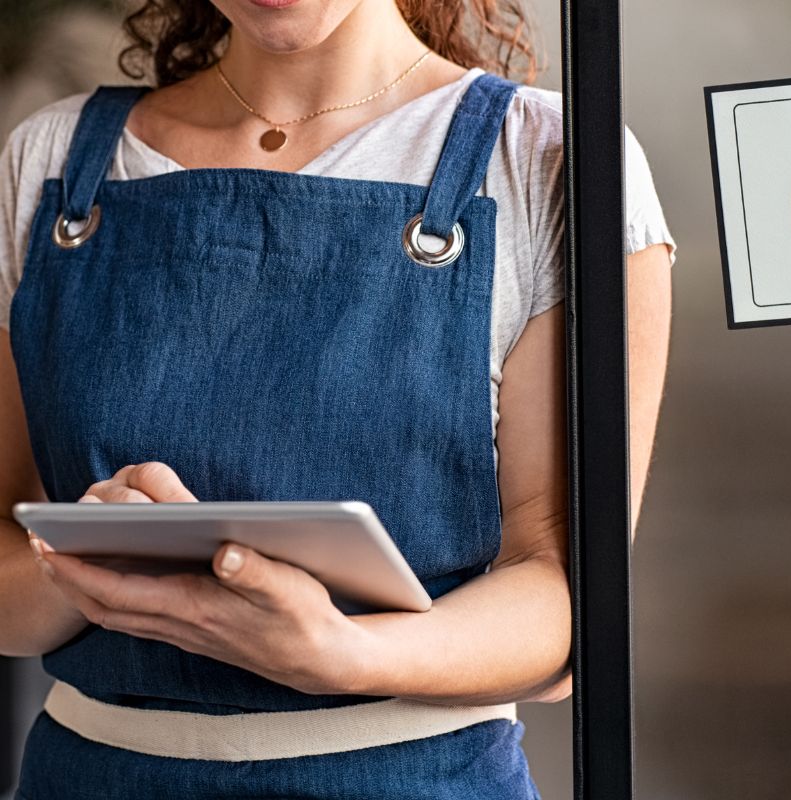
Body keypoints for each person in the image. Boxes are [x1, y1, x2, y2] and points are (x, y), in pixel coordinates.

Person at [0, 0, 675, 796]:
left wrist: (341, 654)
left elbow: (566, 602)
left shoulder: (550, 159)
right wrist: (79, 568)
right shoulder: (52, 158)